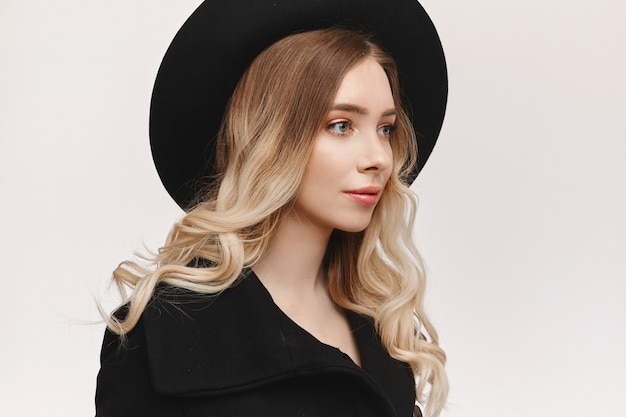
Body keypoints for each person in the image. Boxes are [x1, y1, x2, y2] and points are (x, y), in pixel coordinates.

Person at [95, 1, 449, 416]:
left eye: (385, 129)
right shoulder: (163, 337)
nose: (379, 158)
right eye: (341, 125)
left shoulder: (385, 325)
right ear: (273, 140)